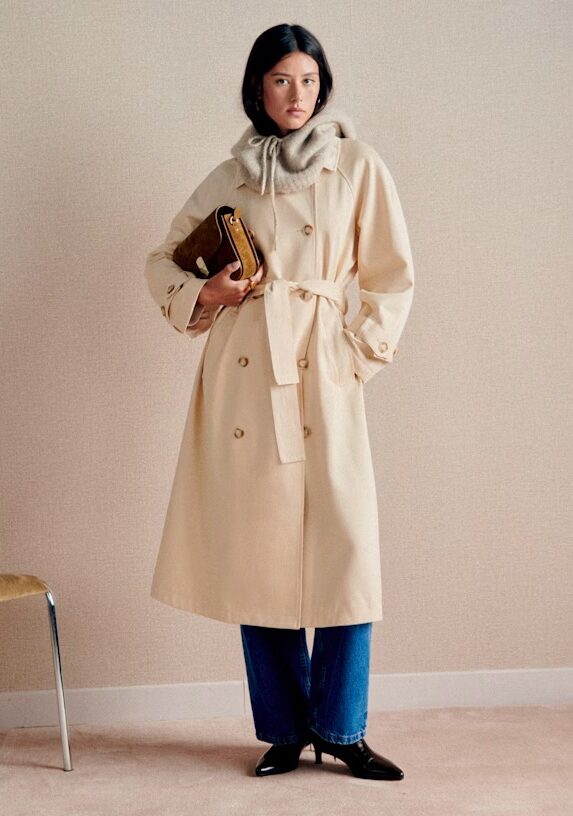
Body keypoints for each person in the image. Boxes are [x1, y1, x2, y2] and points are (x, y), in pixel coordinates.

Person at [144, 23, 414, 781]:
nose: (296, 95)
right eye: (280, 81)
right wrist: (208, 290)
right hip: (245, 374)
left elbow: (392, 276)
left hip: (322, 371)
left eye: (307, 79)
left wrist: (355, 355)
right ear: (256, 89)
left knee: (345, 555)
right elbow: (161, 258)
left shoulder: (355, 164)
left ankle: (342, 729)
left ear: (322, 85)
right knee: (255, 557)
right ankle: (285, 731)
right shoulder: (230, 176)